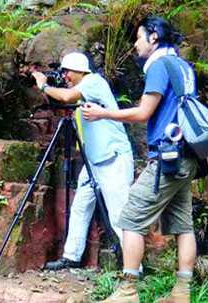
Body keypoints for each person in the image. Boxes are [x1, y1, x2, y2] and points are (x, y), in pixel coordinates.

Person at [82, 17, 198, 303]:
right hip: (189, 155)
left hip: (168, 158)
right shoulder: (183, 66)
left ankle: (128, 291)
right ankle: (182, 293)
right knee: (183, 226)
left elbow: (144, 112)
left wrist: (103, 113)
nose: (136, 44)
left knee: (130, 218)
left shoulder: (159, 65)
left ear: (154, 37)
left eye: (138, 37)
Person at [31, 52, 134, 270]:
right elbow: (67, 99)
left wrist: (43, 86)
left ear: (80, 71)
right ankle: (71, 256)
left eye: (67, 71)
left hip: (112, 158)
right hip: (94, 160)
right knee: (80, 207)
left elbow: (67, 97)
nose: (65, 76)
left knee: (118, 215)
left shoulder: (94, 82)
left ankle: (134, 269)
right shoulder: (84, 90)